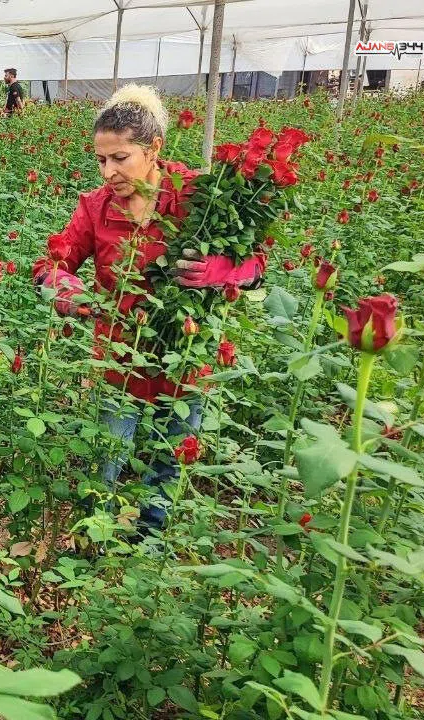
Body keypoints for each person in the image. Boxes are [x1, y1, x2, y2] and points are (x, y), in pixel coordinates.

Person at [31, 85, 266, 536]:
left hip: (185, 358)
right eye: (101, 160)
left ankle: (151, 538)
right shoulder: (96, 208)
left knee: (170, 456)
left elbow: (257, 265)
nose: (108, 171)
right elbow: (49, 267)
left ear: (154, 147)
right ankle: (96, 537)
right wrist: (70, 293)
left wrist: (223, 271)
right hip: (120, 356)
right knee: (109, 453)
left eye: (120, 158)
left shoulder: (200, 197)